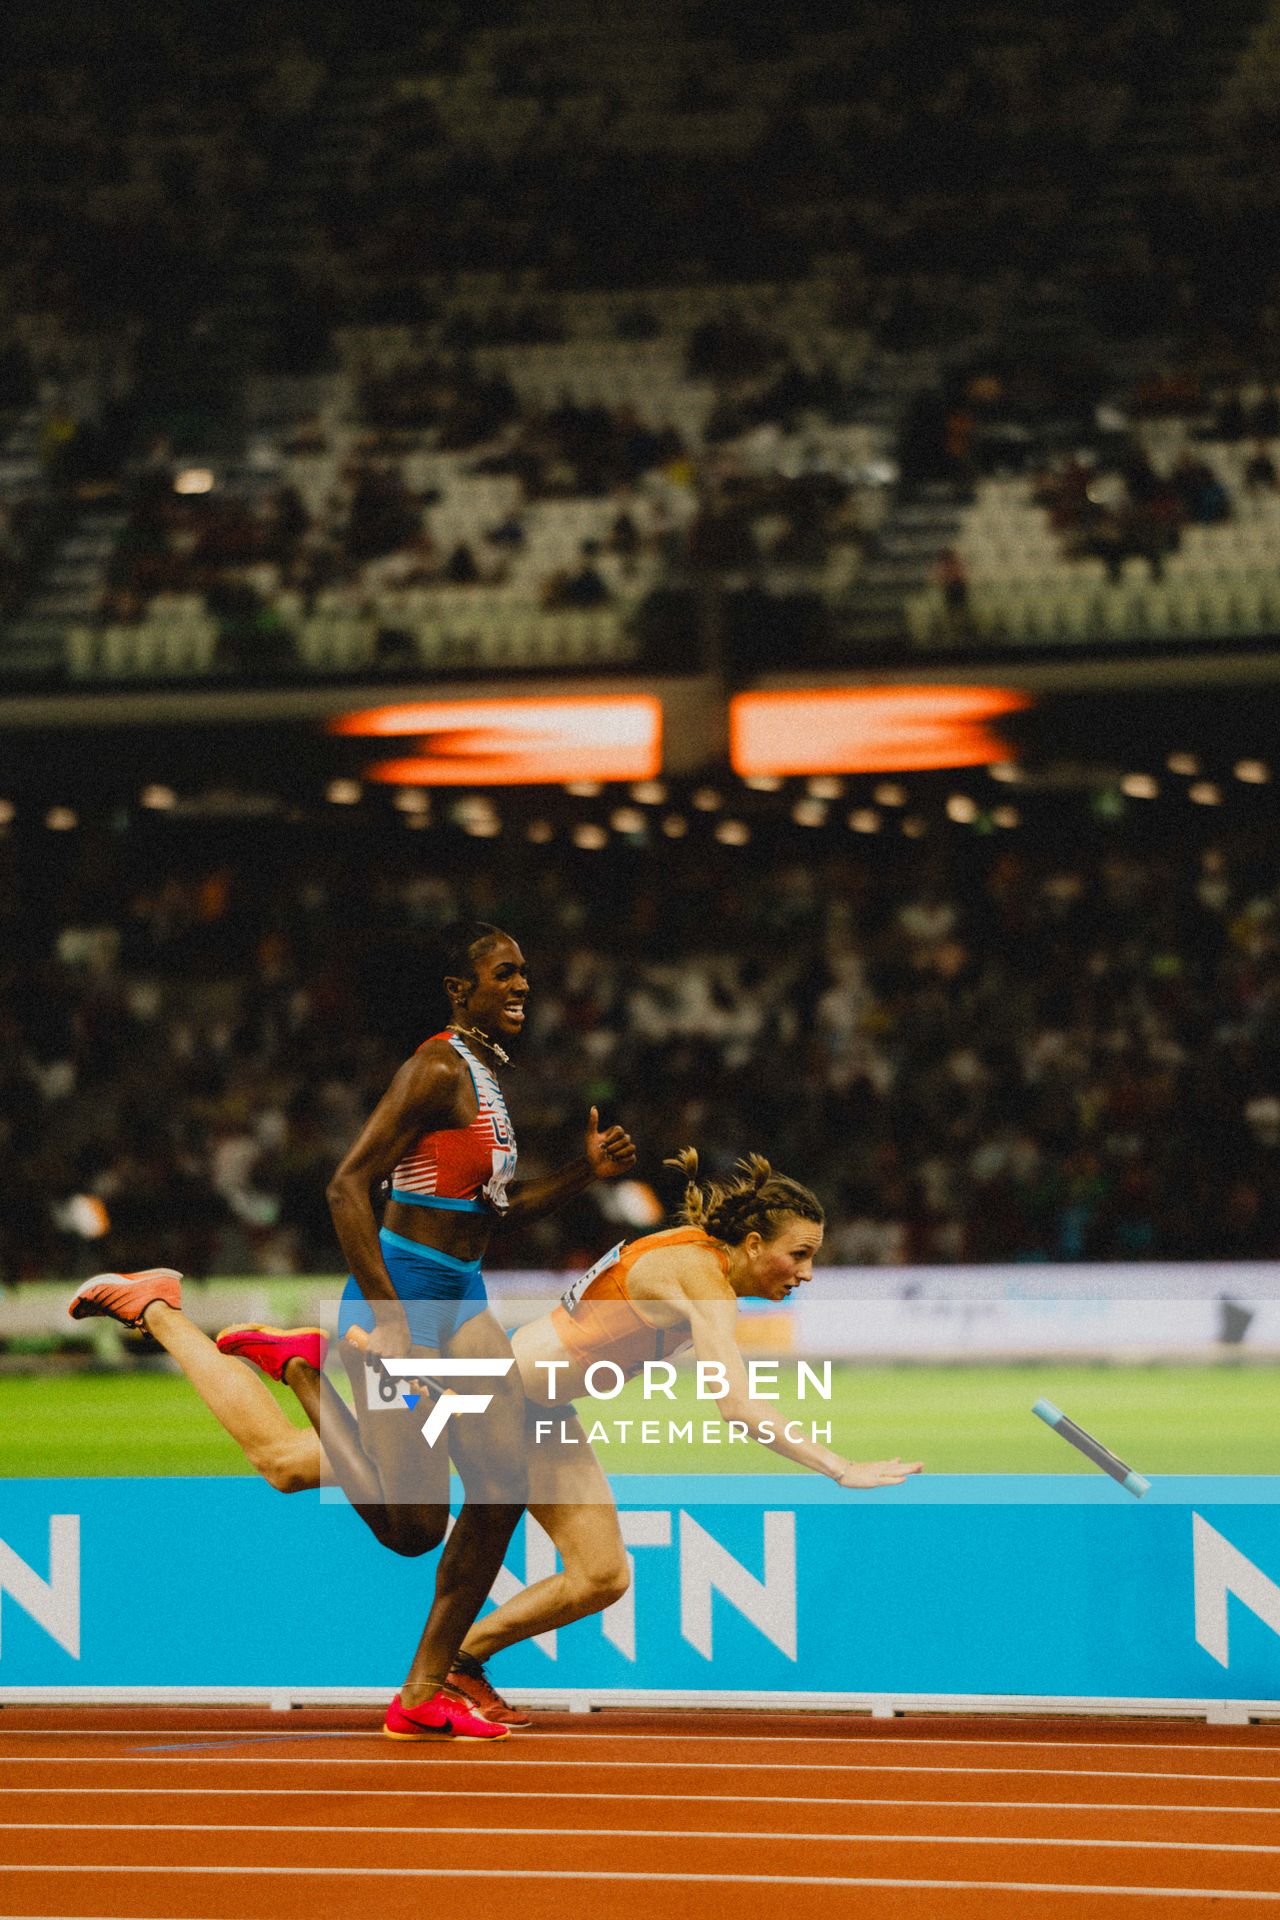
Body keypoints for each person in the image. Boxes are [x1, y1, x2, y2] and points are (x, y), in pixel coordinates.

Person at [71, 1146, 919, 1729]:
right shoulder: (700, 1274)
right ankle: (160, 1309)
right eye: (800, 1256)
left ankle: (461, 1665)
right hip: (488, 1400)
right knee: (287, 1464)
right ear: (753, 1242)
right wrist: (838, 1466)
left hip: (537, 1418)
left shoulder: (705, 1266)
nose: (805, 1275)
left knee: (598, 1575)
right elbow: (734, 1405)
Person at [69, 921, 637, 1743]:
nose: (521, 986)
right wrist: (395, 1320)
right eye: (504, 974)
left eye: (525, 974)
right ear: (460, 989)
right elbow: (346, 1187)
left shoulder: (483, 1078)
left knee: (502, 1487)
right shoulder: (437, 1067)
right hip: (404, 1298)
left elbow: (493, 1216)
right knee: (414, 1531)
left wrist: (587, 1172)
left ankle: (423, 1692)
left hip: (461, 1299)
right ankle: (303, 1370)